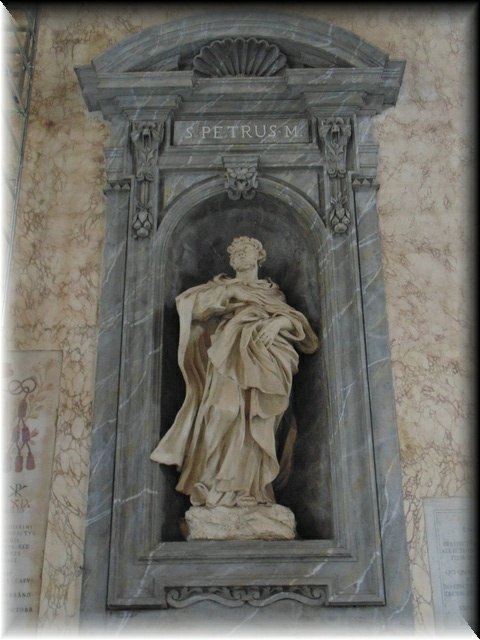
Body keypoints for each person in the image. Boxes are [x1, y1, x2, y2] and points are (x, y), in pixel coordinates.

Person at [150, 236, 319, 508]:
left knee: (258, 423)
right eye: (235, 252)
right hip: (226, 357)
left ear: (259, 257)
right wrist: (231, 293)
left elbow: (301, 329)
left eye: (246, 250)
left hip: (266, 362)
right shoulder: (221, 287)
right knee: (222, 411)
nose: (240, 254)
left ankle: (253, 492)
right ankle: (214, 486)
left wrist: (278, 324)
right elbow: (189, 305)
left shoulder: (272, 293)